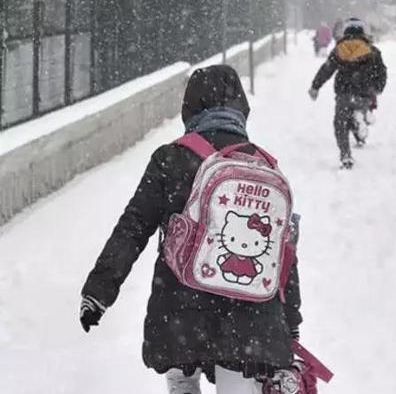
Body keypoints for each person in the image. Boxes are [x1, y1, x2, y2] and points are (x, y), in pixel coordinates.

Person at [79, 65, 303, 392]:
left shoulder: (171, 159)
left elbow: (134, 226)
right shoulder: (264, 166)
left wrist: (99, 291)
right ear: (241, 107)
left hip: (180, 311)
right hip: (250, 320)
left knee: (182, 379)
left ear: (190, 107)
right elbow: (283, 255)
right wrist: (290, 323)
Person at [309, 18, 388, 169]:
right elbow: (382, 73)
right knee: (359, 111)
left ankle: (345, 155)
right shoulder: (372, 51)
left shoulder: (339, 50)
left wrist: (315, 86)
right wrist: (377, 88)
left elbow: (327, 69)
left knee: (340, 124)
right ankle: (361, 120)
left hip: (344, 92)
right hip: (364, 93)